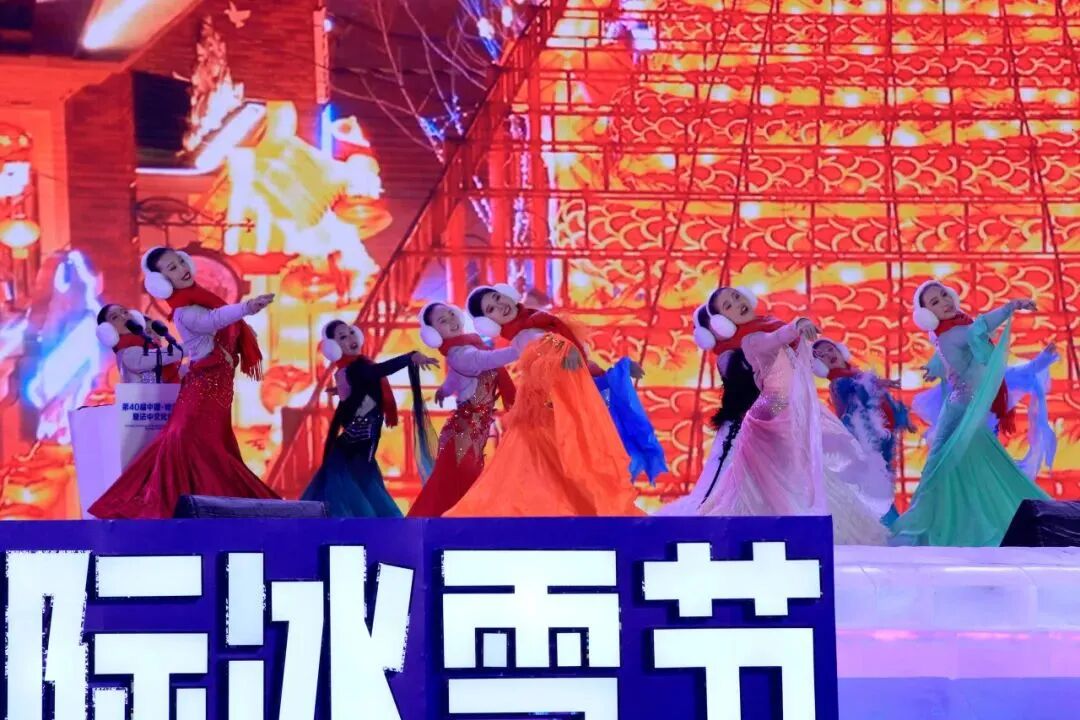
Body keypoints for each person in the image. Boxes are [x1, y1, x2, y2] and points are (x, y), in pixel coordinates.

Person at [659, 287, 892, 545]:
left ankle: (796, 526)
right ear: (721, 324)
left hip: (784, 413)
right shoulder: (747, 343)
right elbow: (775, 341)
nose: (737, 303)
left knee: (793, 473)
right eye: (728, 306)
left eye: (736, 296)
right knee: (767, 479)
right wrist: (796, 326)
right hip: (766, 417)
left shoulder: (761, 328)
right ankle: (773, 531)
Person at [89, 247, 278, 519]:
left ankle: (207, 508)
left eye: (180, 262)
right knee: (197, 445)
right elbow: (214, 321)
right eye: (172, 268)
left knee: (206, 447)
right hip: (203, 390)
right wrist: (247, 307)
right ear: (162, 282)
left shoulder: (201, 300)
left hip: (213, 387)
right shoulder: (184, 311)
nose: (182, 268)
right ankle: (206, 509)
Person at [445, 284, 642, 516]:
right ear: (489, 322)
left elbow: (575, 361)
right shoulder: (524, 335)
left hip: (559, 409)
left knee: (563, 471)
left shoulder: (536, 323)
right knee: (552, 470)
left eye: (497, 298)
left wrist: (612, 371)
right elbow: (551, 352)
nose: (500, 306)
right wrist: (566, 350)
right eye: (491, 309)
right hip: (549, 414)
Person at [891, 281, 1050, 546]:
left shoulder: (949, 329)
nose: (944, 301)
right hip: (961, 412)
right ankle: (940, 525)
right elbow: (979, 328)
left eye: (944, 295)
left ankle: (965, 523)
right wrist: (1011, 306)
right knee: (945, 468)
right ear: (928, 314)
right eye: (934, 302)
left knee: (965, 468)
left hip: (965, 409)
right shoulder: (954, 332)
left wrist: (936, 366)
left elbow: (953, 350)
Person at [301, 320, 438, 518]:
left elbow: (363, 384)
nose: (350, 338)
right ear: (333, 348)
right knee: (358, 499)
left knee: (359, 495)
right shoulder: (356, 368)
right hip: (355, 446)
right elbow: (376, 372)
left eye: (351, 332)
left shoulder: (351, 368)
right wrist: (409, 357)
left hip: (360, 444)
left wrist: (349, 391)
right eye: (342, 337)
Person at [407, 303, 519, 517]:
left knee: (457, 491)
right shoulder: (463, 353)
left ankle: (449, 530)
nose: (451, 319)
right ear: (434, 334)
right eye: (442, 320)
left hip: (471, 433)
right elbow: (486, 360)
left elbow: (455, 376)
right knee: (463, 489)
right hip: (463, 436)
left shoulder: (465, 347)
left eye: (451, 313)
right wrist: (520, 348)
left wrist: (444, 390)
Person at [656, 305, 759, 514]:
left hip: (763, 424)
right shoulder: (729, 357)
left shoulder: (756, 341)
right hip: (742, 426)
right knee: (721, 487)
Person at [911, 343, 1059, 480]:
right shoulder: (954, 388)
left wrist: (1045, 357)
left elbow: (1026, 370)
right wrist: (935, 368)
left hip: (980, 442)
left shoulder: (993, 379)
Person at [813, 337, 915, 526]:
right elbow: (859, 392)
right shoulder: (838, 383)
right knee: (876, 489)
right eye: (822, 355)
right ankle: (889, 528)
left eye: (830, 349)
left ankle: (890, 527)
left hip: (880, 440)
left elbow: (882, 402)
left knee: (882, 486)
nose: (828, 355)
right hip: (865, 442)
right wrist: (877, 383)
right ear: (819, 365)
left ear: (840, 351)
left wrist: (902, 417)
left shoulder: (856, 375)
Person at [96, 304, 182, 384]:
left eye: (125, 312)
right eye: (115, 317)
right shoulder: (125, 353)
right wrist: (186, 348)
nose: (124, 317)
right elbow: (159, 358)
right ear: (107, 330)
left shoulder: (146, 341)